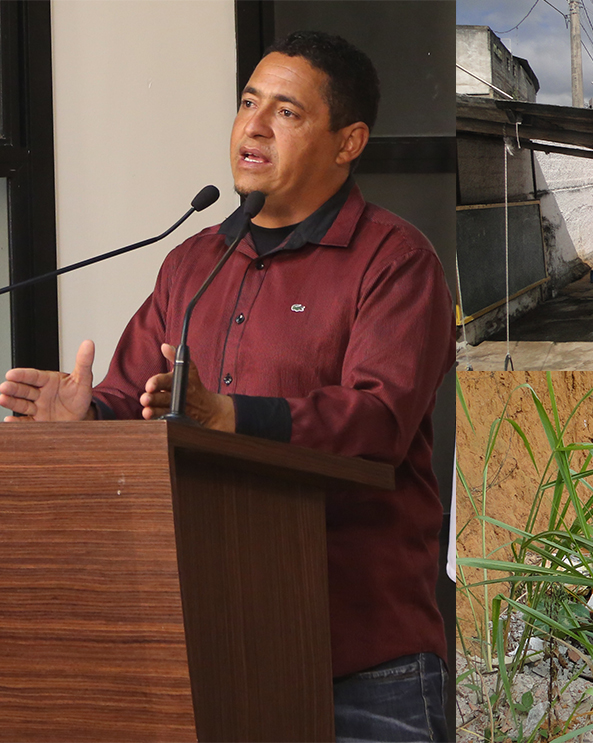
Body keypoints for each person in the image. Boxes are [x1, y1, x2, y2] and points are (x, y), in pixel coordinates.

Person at [0, 31, 454, 743]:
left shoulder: (395, 261)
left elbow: (378, 420)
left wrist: (231, 415)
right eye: (248, 102)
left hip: (363, 660)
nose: (253, 126)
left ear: (348, 141)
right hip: (215, 651)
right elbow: (142, 400)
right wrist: (88, 413)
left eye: (286, 111)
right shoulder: (193, 261)